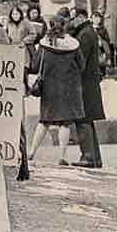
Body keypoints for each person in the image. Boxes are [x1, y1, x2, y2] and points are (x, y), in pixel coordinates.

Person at [28, 14, 85, 166]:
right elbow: (82, 65)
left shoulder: (44, 44)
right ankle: (62, 155)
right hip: (68, 88)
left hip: (49, 87)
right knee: (64, 123)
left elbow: (34, 66)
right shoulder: (73, 44)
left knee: (45, 120)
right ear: (65, 25)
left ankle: (31, 152)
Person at [70, 8, 106, 168]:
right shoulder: (89, 31)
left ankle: (88, 156)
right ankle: (94, 157)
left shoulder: (84, 34)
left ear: (80, 17)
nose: (72, 21)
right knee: (88, 120)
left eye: (73, 18)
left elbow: (80, 60)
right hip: (90, 83)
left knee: (83, 119)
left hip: (83, 84)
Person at [91, 11, 111, 78]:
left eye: (98, 18)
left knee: (102, 64)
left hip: (102, 50)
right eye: (94, 18)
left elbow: (107, 40)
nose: (96, 20)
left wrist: (102, 42)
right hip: (92, 50)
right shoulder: (89, 28)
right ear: (91, 19)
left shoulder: (103, 29)